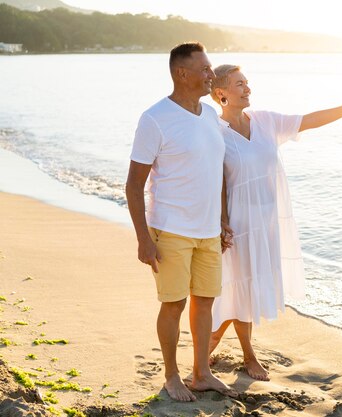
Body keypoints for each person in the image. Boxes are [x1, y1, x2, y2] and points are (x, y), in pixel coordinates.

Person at [209, 64, 342, 380]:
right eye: (239, 84)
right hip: (237, 224)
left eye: (248, 82)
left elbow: (310, 120)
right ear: (221, 93)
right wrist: (221, 221)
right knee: (237, 289)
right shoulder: (214, 132)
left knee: (243, 290)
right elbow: (217, 180)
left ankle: (214, 349)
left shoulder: (265, 121)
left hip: (267, 222)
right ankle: (240, 355)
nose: (248, 88)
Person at [125, 43, 237, 402]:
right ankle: (172, 376)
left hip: (208, 232)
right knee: (174, 304)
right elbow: (134, 184)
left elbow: (216, 170)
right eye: (205, 69)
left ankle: (201, 372)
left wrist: (222, 220)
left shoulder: (209, 116)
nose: (212, 75)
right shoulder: (154, 118)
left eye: (211, 69)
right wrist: (144, 238)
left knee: (205, 301)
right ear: (181, 73)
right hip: (170, 229)